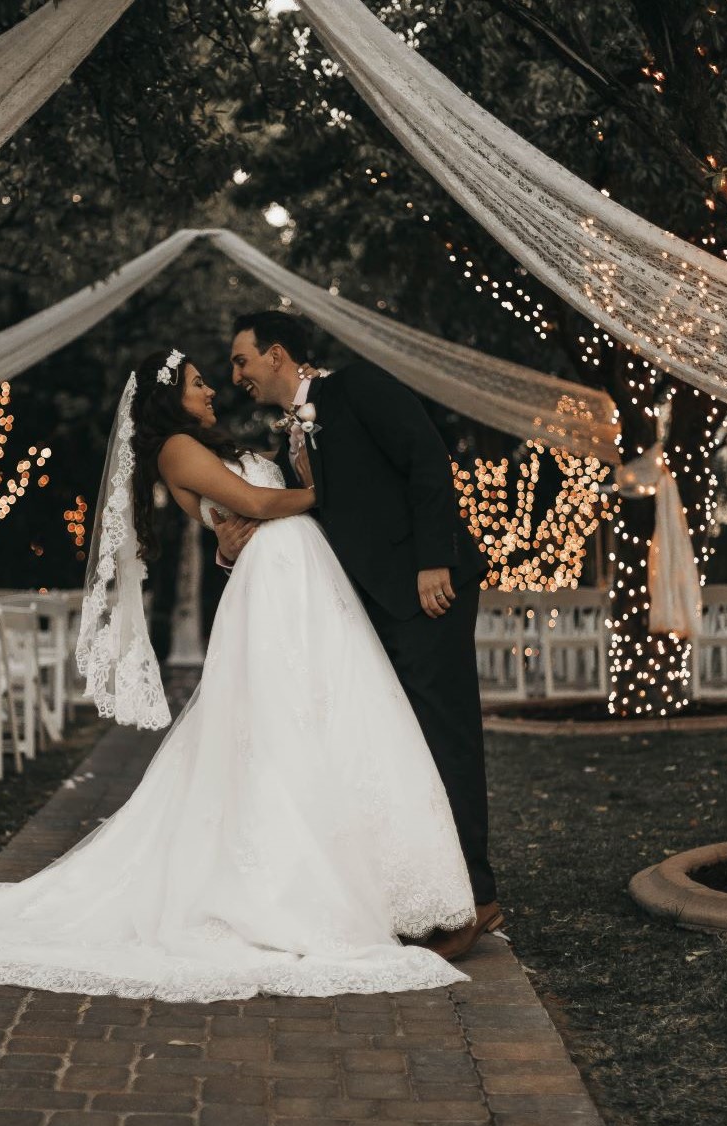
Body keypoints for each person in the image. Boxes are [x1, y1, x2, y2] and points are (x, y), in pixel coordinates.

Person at [0, 348, 476, 1002]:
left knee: (332, 715)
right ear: (170, 397)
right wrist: (334, 498)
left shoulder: (221, 439)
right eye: (198, 383)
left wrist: (282, 501)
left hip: (304, 576)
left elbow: (257, 504)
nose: (213, 389)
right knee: (280, 724)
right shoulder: (174, 450)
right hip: (277, 582)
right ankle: (297, 884)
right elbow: (250, 499)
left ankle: (377, 879)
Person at [219, 311, 502, 960]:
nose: (236, 375)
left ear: (278, 354)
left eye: (242, 360)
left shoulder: (356, 388)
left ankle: (477, 900)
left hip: (427, 590)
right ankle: (429, 894)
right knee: (404, 748)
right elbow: (317, 516)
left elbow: (427, 460)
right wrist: (239, 544)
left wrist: (434, 559)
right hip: (369, 604)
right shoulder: (292, 432)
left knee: (444, 737)